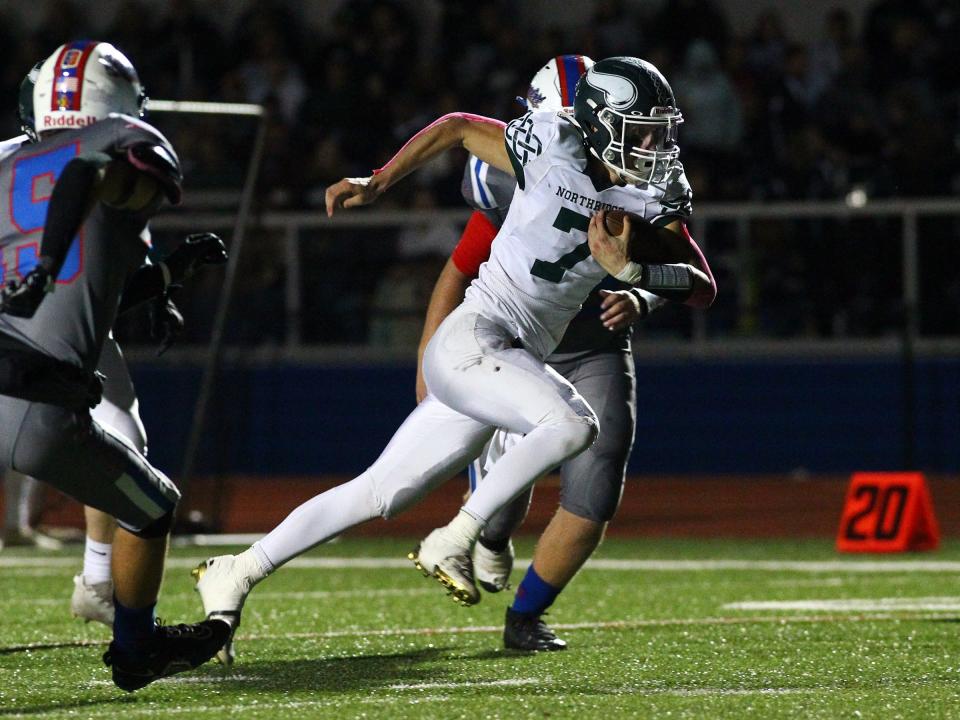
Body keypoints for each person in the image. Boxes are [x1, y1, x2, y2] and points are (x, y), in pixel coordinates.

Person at [193, 56, 715, 662]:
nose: (654, 146)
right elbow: (458, 126)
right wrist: (380, 180)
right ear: (597, 124)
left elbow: (701, 282)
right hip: (476, 337)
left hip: (512, 353)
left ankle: (236, 571)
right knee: (572, 424)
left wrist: (634, 273)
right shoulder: (550, 144)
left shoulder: (651, 194)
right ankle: (460, 536)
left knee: (379, 494)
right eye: (638, 130)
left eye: (659, 130)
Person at [414, 55, 679, 651]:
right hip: (519, 345)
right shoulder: (522, 174)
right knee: (503, 509)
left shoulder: (638, 181)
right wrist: (427, 358)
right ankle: (484, 532)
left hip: (592, 347)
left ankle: (526, 615)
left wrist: (641, 296)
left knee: (597, 480)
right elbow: (458, 270)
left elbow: (688, 275)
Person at [0, 41, 230, 691]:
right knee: (151, 504)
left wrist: (165, 278)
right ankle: (134, 648)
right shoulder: (123, 142)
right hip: (34, 398)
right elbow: (85, 177)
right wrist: (46, 269)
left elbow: (92, 284)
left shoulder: (8, 164)